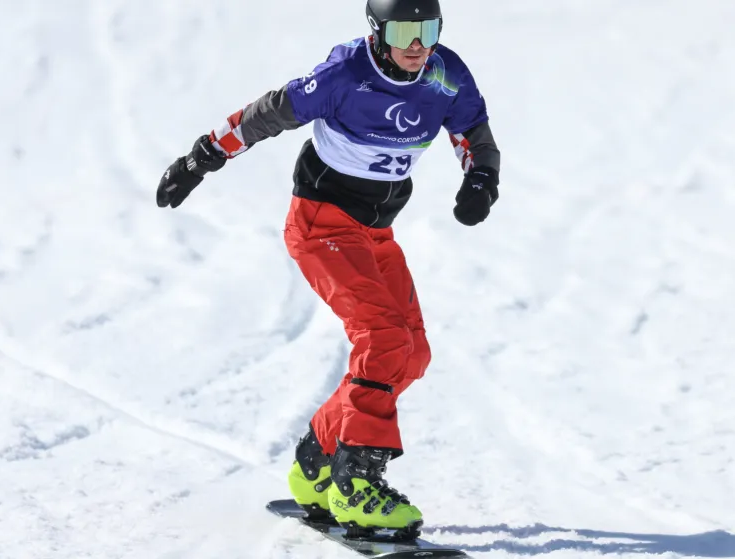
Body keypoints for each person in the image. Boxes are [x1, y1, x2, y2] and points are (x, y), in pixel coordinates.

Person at [155, 0, 501, 536]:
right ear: (378, 31)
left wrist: (480, 178)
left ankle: (316, 464)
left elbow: (472, 130)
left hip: (374, 232)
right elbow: (266, 113)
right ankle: (356, 480)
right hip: (323, 225)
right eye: (405, 30)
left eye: (428, 28)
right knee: (383, 338)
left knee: (411, 352)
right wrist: (202, 157)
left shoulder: (445, 74)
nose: (417, 44)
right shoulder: (344, 75)